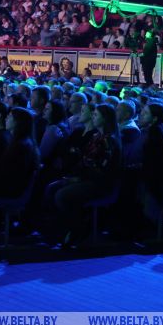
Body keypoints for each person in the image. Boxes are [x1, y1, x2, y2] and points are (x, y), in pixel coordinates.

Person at [54, 104, 122, 245]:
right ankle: (61, 229)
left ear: (105, 118)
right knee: (52, 188)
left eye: (96, 115)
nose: (93, 117)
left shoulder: (109, 140)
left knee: (62, 195)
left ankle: (78, 229)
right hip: (88, 178)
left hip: (100, 184)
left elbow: (102, 170)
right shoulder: (96, 136)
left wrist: (78, 178)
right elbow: (85, 160)